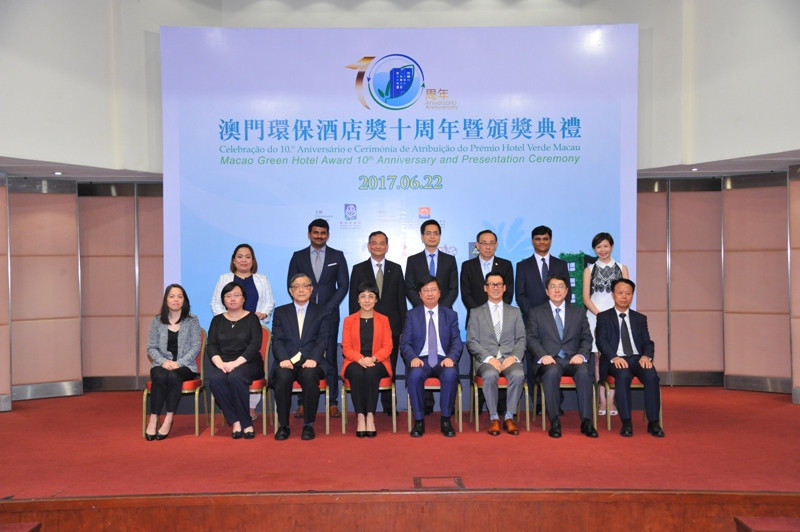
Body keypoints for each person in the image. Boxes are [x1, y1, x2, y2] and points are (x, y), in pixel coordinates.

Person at [287, 219, 348, 419]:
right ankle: (302, 403)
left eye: (323, 233)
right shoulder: (298, 256)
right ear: (309, 234)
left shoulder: (337, 256)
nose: (319, 236)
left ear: (328, 235)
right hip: (304, 315)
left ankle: (333, 403)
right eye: (315, 232)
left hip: (329, 316)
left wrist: (327, 308)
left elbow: (343, 285)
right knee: (302, 355)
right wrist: (310, 307)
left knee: (330, 357)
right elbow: (292, 284)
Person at [526, 274, 598, 438]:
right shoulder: (536, 313)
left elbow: (587, 338)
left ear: (566, 291)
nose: (557, 290)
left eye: (561, 287)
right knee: (551, 373)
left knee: (584, 373)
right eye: (553, 287)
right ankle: (555, 421)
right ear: (547, 291)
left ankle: (587, 422)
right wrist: (542, 355)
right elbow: (531, 339)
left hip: (573, 359)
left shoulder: (578, 312)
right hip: (549, 360)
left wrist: (581, 355)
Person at [211, 243, 275, 421]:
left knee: (249, 365)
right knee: (226, 374)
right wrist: (227, 319)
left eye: (248, 257)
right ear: (233, 260)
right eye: (240, 256)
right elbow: (215, 303)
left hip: (253, 329)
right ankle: (233, 408)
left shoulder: (261, 279)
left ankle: (251, 406)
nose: (244, 260)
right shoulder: (224, 278)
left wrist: (264, 313)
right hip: (229, 332)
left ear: (253, 260)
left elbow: (269, 302)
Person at [595, 279, 664, 437]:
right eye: (620, 293)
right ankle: (626, 422)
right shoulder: (604, 317)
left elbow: (647, 342)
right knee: (623, 375)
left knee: (652, 376)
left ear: (632, 295)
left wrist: (646, 356)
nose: (624, 296)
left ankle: (654, 423)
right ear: (613, 295)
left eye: (628, 293)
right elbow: (601, 341)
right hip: (616, 360)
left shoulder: (640, 318)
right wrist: (614, 357)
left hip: (637, 359)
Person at [349, 231, 406, 416]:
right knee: (363, 368)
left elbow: (401, 300)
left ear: (387, 247)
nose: (378, 246)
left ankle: (389, 405)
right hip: (364, 327)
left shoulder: (396, 269)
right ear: (368, 246)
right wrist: (355, 325)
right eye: (374, 243)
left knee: (389, 365)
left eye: (382, 243)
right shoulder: (358, 269)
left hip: (391, 327)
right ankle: (365, 407)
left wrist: (403, 327)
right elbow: (353, 301)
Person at [515, 225, 571, 409]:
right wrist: (536, 316)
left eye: (545, 239)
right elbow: (520, 295)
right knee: (535, 361)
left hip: (558, 322)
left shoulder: (560, 264)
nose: (541, 242)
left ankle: (556, 403)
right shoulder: (523, 266)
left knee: (558, 360)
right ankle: (538, 403)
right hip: (533, 322)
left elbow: (566, 293)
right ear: (533, 241)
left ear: (550, 241)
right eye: (538, 239)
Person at [401, 276, 463, 438]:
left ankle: (446, 420)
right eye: (426, 290)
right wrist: (412, 358)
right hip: (421, 360)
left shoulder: (450, 315)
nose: (430, 294)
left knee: (450, 375)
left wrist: (451, 358)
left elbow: (457, 342)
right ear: (420, 294)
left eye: (433, 290)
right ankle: (419, 421)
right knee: (414, 376)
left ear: (439, 293)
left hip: (443, 360)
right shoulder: (412, 315)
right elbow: (405, 343)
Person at [271, 273, 331, 441]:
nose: (301, 290)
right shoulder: (281, 312)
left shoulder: (322, 311)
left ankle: (308, 425)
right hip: (287, 361)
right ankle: (283, 425)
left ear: (311, 289)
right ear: (291, 291)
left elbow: (323, 338)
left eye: (305, 286)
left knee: (310, 376)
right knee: (282, 377)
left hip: (311, 360)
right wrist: (283, 359)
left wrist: (314, 358)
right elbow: (277, 339)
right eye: (297, 286)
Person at [461, 229, 514, 415]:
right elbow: (466, 294)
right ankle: (478, 405)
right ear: (477, 245)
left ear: (496, 245)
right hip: (477, 321)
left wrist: (495, 311)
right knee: (480, 361)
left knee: (502, 360)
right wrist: (483, 315)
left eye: (491, 243)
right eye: (484, 243)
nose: (488, 246)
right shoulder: (467, 266)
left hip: (502, 319)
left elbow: (508, 293)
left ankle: (501, 406)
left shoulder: (506, 265)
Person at [466, 272, 525, 436]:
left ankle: (509, 417)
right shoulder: (476, 312)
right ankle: (494, 418)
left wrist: (513, 357)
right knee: (490, 375)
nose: (496, 288)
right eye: (491, 284)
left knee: (518, 375)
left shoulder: (515, 312)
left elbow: (521, 338)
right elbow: (471, 341)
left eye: (499, 284)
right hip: (486, 360)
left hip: (509, 359)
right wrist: (489, 358)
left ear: (504, 288)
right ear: (485, 288)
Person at [206, 282, 264, 440]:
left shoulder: (252, 318)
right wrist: (220, 364)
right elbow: (211, 345)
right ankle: (235, 421)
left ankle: (246, 423)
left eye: (236, 295)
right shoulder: (217, 320)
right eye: (228, 296)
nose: (232, 299)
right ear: (223, 300)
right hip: (224, 362)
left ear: (243, 298)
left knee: (236, 377)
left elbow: (255, 345)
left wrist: (235, 363)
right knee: (216, 379)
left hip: (249, 362)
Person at [145, 284, 202, 441]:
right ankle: (154, 418)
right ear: (166, 300)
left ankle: (169, 418)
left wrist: (179, 363)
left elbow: (196, 347)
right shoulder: (157, 321)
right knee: (159, 376)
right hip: (161, 364)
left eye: (179, 296)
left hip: (185, 366)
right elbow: (151, 347)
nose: (176, 300)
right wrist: (163, 361)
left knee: (173, 376)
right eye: (172, 296)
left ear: (184, 300)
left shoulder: (192, 320)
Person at [582, 232, 629, 416]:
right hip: (595, 317)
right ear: (594, 249)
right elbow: (586, 298)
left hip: (617, 318)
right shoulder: (589, 270)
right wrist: (601, 316)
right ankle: (602, 401)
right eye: (598, 247)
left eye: (605, 246)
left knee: (617, 357)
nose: (602, 250)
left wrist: (612, 316)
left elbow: (625, 295)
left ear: (612, 246)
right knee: (598, 359)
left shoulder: (622, 268)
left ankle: (611, 401)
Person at [342, 282, 393, 437]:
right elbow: (346, 347)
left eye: (371, 296)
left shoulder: (383, 319)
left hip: (378, 360)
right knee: (357, 372)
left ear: (376, 300)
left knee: (371, 373)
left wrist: (373, 358)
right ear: (358, 299)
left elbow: (388, 346)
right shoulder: (349, 320)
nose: (367, 300)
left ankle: (370, 416)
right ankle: (360, 416)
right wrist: (360, 359)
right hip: (354, 360)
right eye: (363, 296)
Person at [404, 219, 458, 309]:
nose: (432, 236)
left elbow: (453, 289)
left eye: (435, 233)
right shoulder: (413, 260)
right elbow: (409, 288)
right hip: (420, 311)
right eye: (428, 233)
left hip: (444, 311)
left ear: (440, 236)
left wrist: (440, 309)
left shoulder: (449, 260)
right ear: (422, 236)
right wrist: (423, 307)